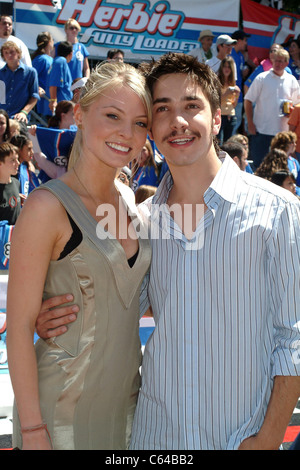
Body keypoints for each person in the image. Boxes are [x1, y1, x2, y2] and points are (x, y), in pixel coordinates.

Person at [36, 53, 300, 451]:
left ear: (216, 119)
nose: (178, 120)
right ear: (151, 129)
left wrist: (268, 438)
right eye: (163, 109)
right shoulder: (139, 222)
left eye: (191, 106)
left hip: (240, 439)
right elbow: (112, 311)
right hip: (155, 438)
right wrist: (53, 316)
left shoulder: (278, 211)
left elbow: (293, 339)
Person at [6, 61, 152, 450]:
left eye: (140, 122)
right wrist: (35, 430)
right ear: (81, 113)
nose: (127, 133)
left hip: (128, 408)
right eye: (112, 116)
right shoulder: (45, 207)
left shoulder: (130, 199)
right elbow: (18, 328)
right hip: (59, 414)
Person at [244, 48, 300, 170]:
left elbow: (297, 106)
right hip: (261, 131)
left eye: (281, 61)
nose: (278, 64)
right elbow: (248, 100)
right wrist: (250, 124)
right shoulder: (261, 78)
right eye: (275, 61)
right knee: (259, 168)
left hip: (283, 134)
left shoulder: (292, 81)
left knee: (280, 170)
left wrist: (290, 112)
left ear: (286, 63)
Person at [33, 100, 76, 182]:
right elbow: (38, 154)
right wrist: (34, 133)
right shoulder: (49, 133)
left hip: (72, 176)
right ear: (63, 115)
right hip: (50, 178)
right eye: (73, 114)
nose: (75, 117)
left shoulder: (76, 131)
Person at [0, 41, 39, 123]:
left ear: (18, 53)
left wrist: (24, 112)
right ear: (3, 56)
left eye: (12, 52)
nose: (9, 55)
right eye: (6, 53)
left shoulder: (30, 72)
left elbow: (34, 96)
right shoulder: (1, 73)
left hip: (19, 118)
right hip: (2, 118)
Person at [230, 29, 251, 134]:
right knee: (229, 122)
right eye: (245, 40)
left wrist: (245, 72)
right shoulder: (229, 54)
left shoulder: (241, 56)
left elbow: (240, 74)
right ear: (238, 41)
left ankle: (230, 145)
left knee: (237, 120)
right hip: (229, 94)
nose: (246, 43)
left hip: (239, 94)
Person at [217, 57, 240, 144]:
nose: (227, 69)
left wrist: (237, 94)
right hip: (220, 116)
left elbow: (233, 104)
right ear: (221, 68)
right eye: (225, 66)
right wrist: (226, 93)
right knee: (219, 143)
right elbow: (216, 102)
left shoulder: (232, 83)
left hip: (231, 116)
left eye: (229, 67)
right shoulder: (216, 81)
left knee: (228, 145)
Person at [32, 32, 54, 121]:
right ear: (49, 42)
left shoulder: (49, 59)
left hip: (49, 102)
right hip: (42, 103)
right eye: (52, 40)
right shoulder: (41, 59)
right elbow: (30, 78)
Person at [47, 41, 73, 114]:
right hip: (60, 107)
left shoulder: (59, 61)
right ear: (70, 54)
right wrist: (53, 101)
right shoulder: (60, 61)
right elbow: (53, 83)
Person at [0, 142, 21, 224]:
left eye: (17, 159)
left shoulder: (16, 183)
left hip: (17, 235)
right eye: (12, 160)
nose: (18, 163)